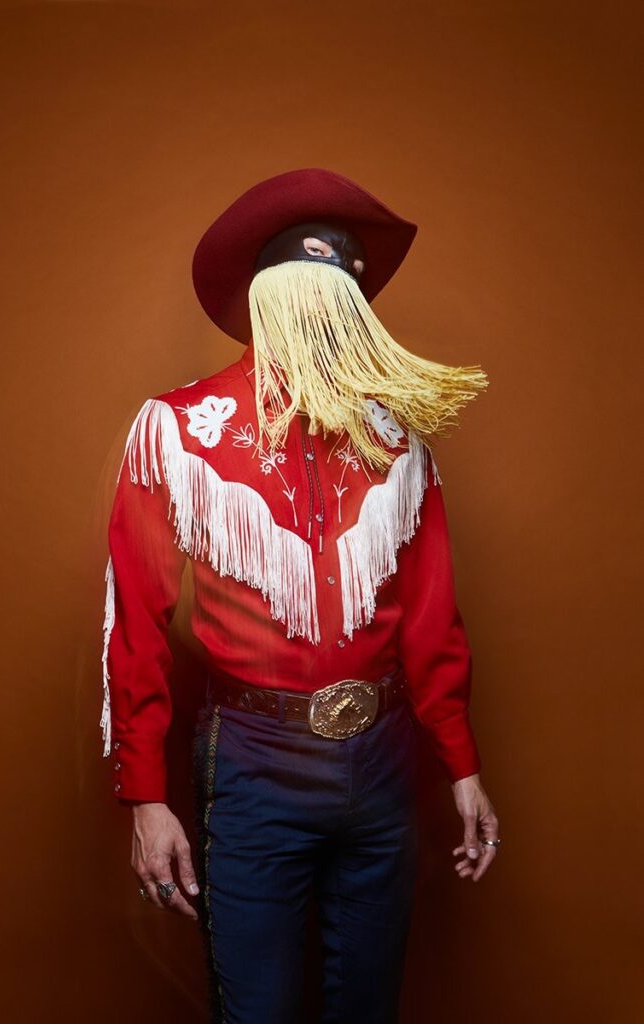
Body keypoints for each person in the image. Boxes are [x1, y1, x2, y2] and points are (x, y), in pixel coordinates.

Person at [99, 168, 501, 1024]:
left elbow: (433, 621)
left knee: (369, 1006)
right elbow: (136, 623)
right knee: (260, 1010)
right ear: (266, 300)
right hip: (251, 759)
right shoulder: (178, 430)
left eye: (342, 294)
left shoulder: (398, 442)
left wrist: (461, 765)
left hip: (381, 757)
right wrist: (145, 794)